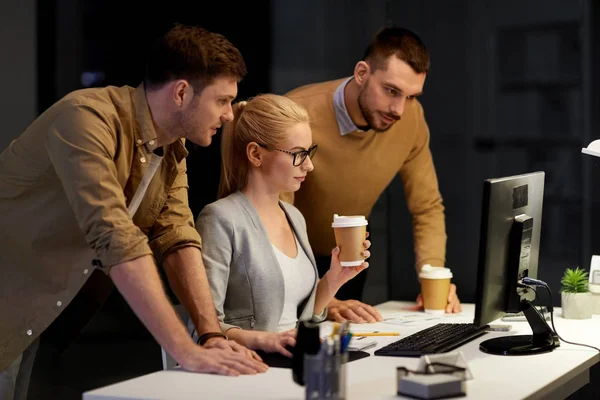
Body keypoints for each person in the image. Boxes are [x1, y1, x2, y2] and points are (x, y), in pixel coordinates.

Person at [0, 24, 268, 400]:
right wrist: (184, 351)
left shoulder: (172, 148)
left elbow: (176, 235)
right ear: (181, 92)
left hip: (38, 309)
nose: (229, 115)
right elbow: (114, 235)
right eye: (222, 101)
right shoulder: (85, 117)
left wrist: (210, 335)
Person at [282, 26, 462, 323]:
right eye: (391, 91)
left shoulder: (411, 119)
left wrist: (434, 279)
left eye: (411, 96)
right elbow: (276, 215)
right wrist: (322, 293)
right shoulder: (297, 114)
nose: (399, 109)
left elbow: (427, 206)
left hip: (348, 260)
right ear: (362, 73)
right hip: (289, 263)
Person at [195, 94, 371, 357]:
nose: (309, 166)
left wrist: (335, 279)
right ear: (256, 154)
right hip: (248, 365)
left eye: (309, 153)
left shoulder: (293, 216)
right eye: (299, 155)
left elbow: (301, 318)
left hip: (289, 358)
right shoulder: (220, 219)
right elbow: (207, 329)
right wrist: (266, 340)